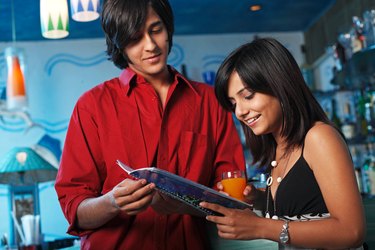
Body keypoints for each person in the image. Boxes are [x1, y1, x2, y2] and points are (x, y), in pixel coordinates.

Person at [54, 0, 246, 249]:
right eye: (134, 38)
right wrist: (112, 202)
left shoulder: (210, 102)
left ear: (168, 28)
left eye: (156, 30)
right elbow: (74, 209)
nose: (151, 45)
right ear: (119, 45)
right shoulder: (91, 106)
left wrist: (186, 204)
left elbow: (232, 198)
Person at [200, 38, 366, 249]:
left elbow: (351, 231)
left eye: (248, 96)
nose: (239, 112)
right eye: (233, 104)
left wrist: (260, 227)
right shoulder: (279, 148)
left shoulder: (319, 137)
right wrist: (258, 200)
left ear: (279, 85)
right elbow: (304, 208)